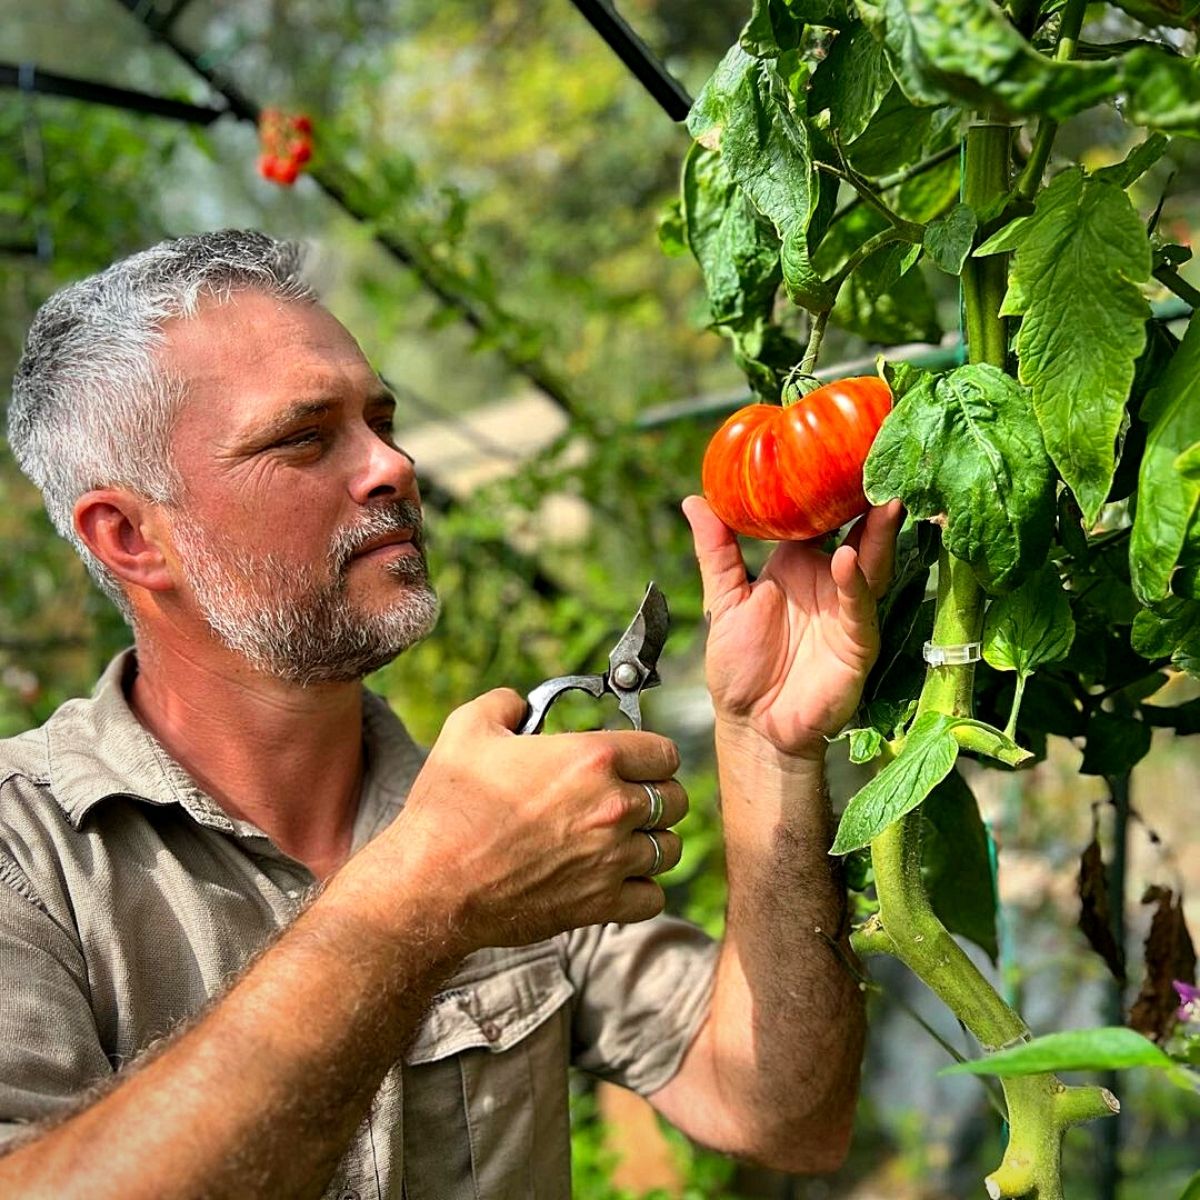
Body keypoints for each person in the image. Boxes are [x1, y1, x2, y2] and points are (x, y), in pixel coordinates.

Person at [0, 230, 901, 1199]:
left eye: (381, 420)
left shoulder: (495, 811)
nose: (392, 465)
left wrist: (766, 739)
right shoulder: (30, 858)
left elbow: (785, 1113)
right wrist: (427, 897)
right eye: (306, 437)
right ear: (132, 536)